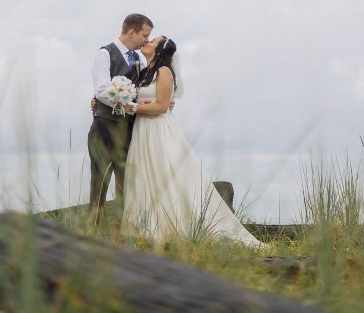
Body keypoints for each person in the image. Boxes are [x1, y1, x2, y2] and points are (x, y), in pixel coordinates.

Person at [123, 36, 262, 248]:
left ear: (159, 51)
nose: (147, 41)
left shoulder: (164, 72)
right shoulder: (144, 73)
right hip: (143, 129)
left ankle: (172, 224)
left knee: (163, 172)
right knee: (144, 173)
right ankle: (145, 225)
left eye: (152, 41)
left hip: (158, 130)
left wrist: (131, 107)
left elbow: (160, 107)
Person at [87, 13, 153, 225]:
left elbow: (146, 89)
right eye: (145, 35)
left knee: (125, 187)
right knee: (99, 184)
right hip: (105, 128)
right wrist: (132, 106)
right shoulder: (105, 54)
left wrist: (162, 100)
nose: (146, 40)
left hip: (129, 130)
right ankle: (91, 235)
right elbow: (101, 90)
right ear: (131, 32)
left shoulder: (139, 60)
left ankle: (119, 238)